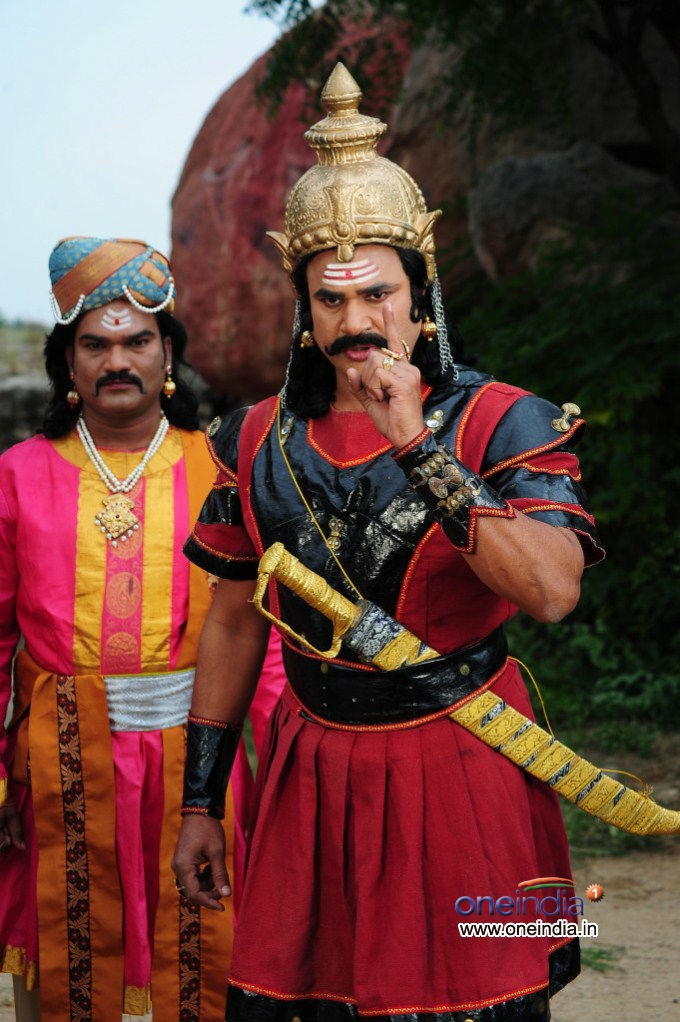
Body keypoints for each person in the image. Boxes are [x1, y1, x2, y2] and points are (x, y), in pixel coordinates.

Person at [173, 65, 605, 1021]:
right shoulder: (254, 439)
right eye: (331, 301)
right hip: (312, 767)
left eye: (377, 294)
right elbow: (236, 623)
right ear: (304, 306)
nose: (357, 323)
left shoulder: (504, 421)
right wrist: (202, 800)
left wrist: (417, 443)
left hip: (464, 757)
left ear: (420, 297)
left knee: (471, 1003)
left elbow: (552, 594)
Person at [0, 236, 284, 1022]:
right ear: (67, 363)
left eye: (137, 342)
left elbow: (263, 640)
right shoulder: (16, 476)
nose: (116, 361)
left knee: (209, 953)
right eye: (95, 345)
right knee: (61, 970)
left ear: (168, 356)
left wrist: (287, 772)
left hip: (200, 763)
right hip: (56, 768)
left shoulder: (225, 471)